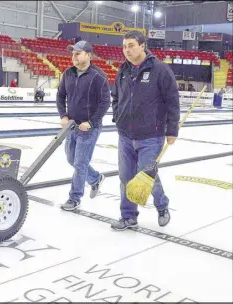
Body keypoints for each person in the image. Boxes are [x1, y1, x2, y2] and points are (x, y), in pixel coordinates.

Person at [110, 30, 180, 230]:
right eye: (124, 46)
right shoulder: (122, 70)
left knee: (147, 175)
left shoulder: (160, 70)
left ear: (142, 45)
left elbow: (172, 102)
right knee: (125, 178)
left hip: (151, 135)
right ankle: (128, 216)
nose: (127, 50)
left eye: (131, 45)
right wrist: (119, 118)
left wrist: (172, 130)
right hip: (125, 135)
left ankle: (161, 206)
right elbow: (116, 97)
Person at [56, 40, 111, 211]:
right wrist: (63, 115)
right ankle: (95, 179)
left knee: (80, 163)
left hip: (89, 128)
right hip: (72, 126)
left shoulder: (98, 76)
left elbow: (105, 102)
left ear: (88, 55)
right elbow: (60, 96)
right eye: (72, 53)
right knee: (71, 159)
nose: (73, 57)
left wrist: (91, 122)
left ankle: (75, 198)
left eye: (77, 53)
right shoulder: (68, 73)